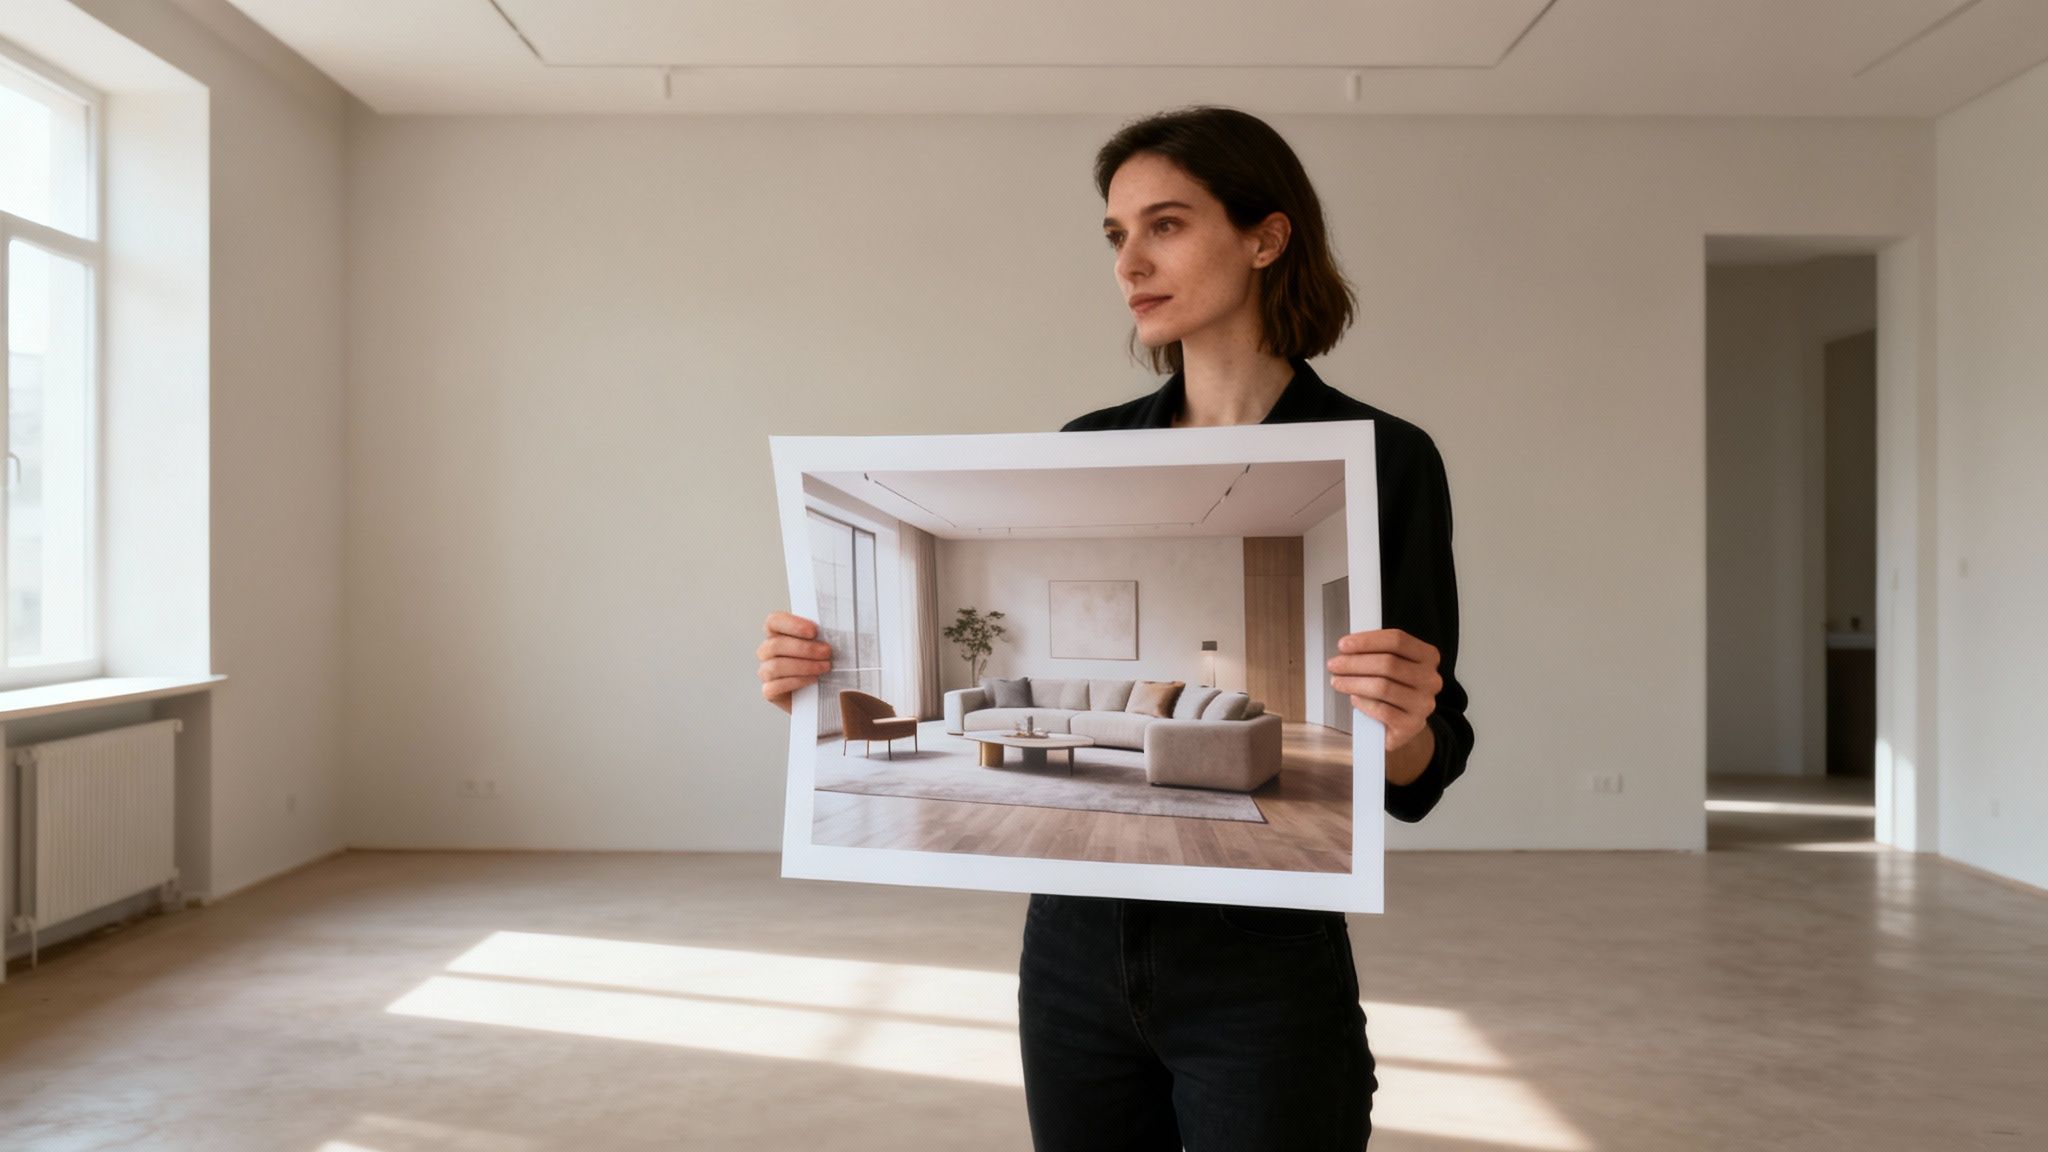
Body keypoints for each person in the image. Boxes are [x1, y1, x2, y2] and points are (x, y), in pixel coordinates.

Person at [757, 106, 1471, 1151]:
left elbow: (1427, 766)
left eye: (1165, 225)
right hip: (1068, 954)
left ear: (1265, 237)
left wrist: (1403, 726)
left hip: (1261, 967)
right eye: (1114, 234)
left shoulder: (1386, 460)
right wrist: (810, 682)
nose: (1129, 260)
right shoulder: (1087, 445)